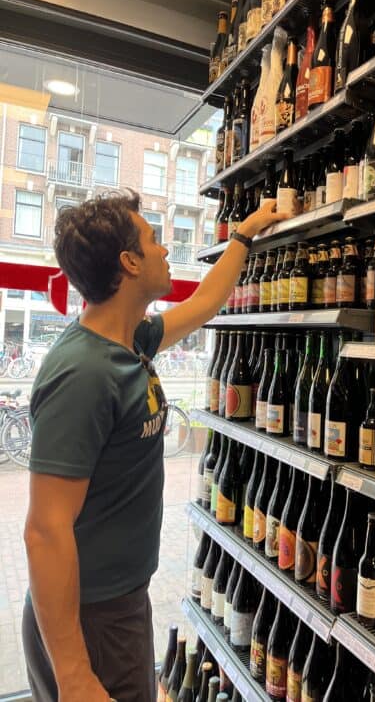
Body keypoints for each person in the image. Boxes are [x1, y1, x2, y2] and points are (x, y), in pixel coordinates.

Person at [22, 189, 286, 702]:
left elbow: (205, 304)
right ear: (129, 261)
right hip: (89, 618)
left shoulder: (131, 342)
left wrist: (244, 234)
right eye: (154, 240)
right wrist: (74, 674)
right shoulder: (83, 372)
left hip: (119, 605)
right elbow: (44, 530)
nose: (166, 251)